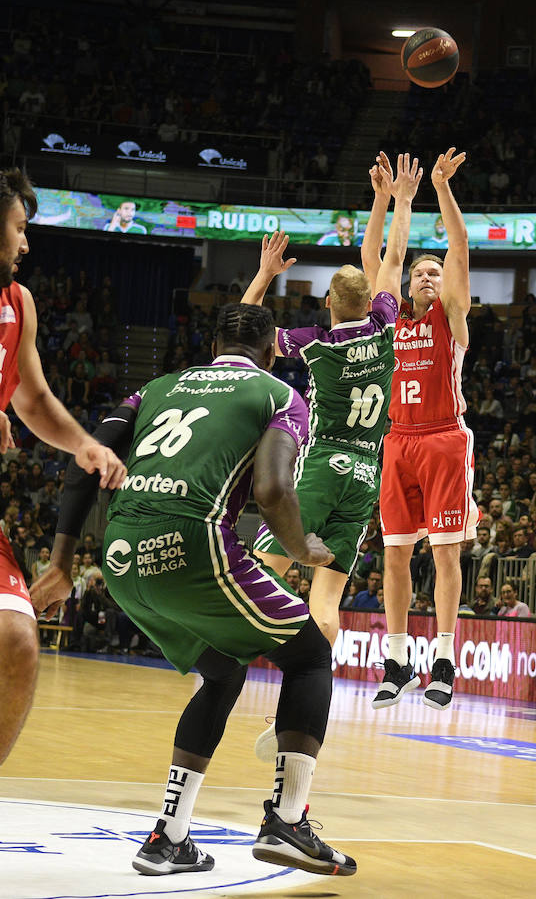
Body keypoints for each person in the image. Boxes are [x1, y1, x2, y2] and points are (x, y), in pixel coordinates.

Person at [31, 303, 356, 878]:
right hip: (193, 543)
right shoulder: (278, 394)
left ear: (212, 347)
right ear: (273, 349)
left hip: (122, 556)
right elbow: (275, 488)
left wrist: (61, 562)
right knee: (309, 656)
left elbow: (85, 462)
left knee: (226, 672)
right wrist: (302, 549)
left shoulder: (154, 388)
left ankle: (168, 838)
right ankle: (287, 820)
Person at [249, 155, 421, 758]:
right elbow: (394, 261)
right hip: (368, 475)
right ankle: (302, 707)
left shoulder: (317, 343)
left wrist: (266, 273)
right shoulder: (386, 325)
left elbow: (247, 334)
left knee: (259, 570)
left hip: (323, 467)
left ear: (327, 302)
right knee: (325, 601)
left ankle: (224, 669)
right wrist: (396, 198)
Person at [0, 168, 125, 766]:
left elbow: (35, 399)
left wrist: (82, 445)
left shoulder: (17, 302)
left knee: (18, 638)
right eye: (19, 228)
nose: (26, 244)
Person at [361, 148, 479, 711]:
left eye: (436, 273)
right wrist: (386, 200)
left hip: (443, 437)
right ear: (408, 285)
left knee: (447, 555)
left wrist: (440, 189)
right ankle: (397, 659)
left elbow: (458, 247)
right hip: (398, 442)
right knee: (395, 556)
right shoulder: (389, 319)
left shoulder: (449, 316)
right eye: (420, 272)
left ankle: (444, 661)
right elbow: (376, 257)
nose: (430, 276)